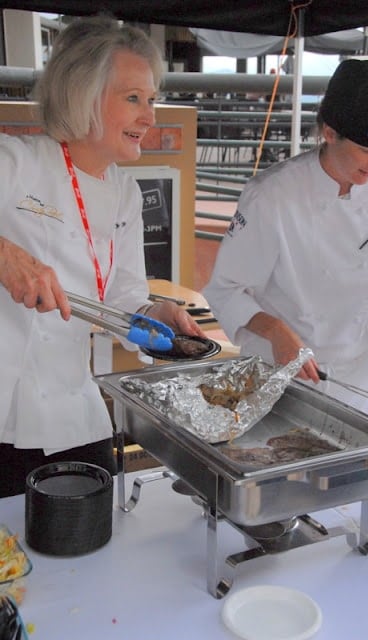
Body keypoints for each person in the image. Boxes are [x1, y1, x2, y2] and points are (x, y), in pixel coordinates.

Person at [0, 15, 205, 497]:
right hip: (5, 412)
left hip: (76, 413)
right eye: (133, 98)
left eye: (151, 100)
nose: (150, 116)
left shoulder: (125, 192)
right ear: (81, 94)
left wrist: (155, 316)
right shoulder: (15, 162)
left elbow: (123, 299)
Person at [204, 59, 368, 419]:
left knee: (357, 474)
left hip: (355, 376)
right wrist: (276, 331)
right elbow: (225, 290)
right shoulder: (273, 194)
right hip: (276, 372)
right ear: (329, 132)